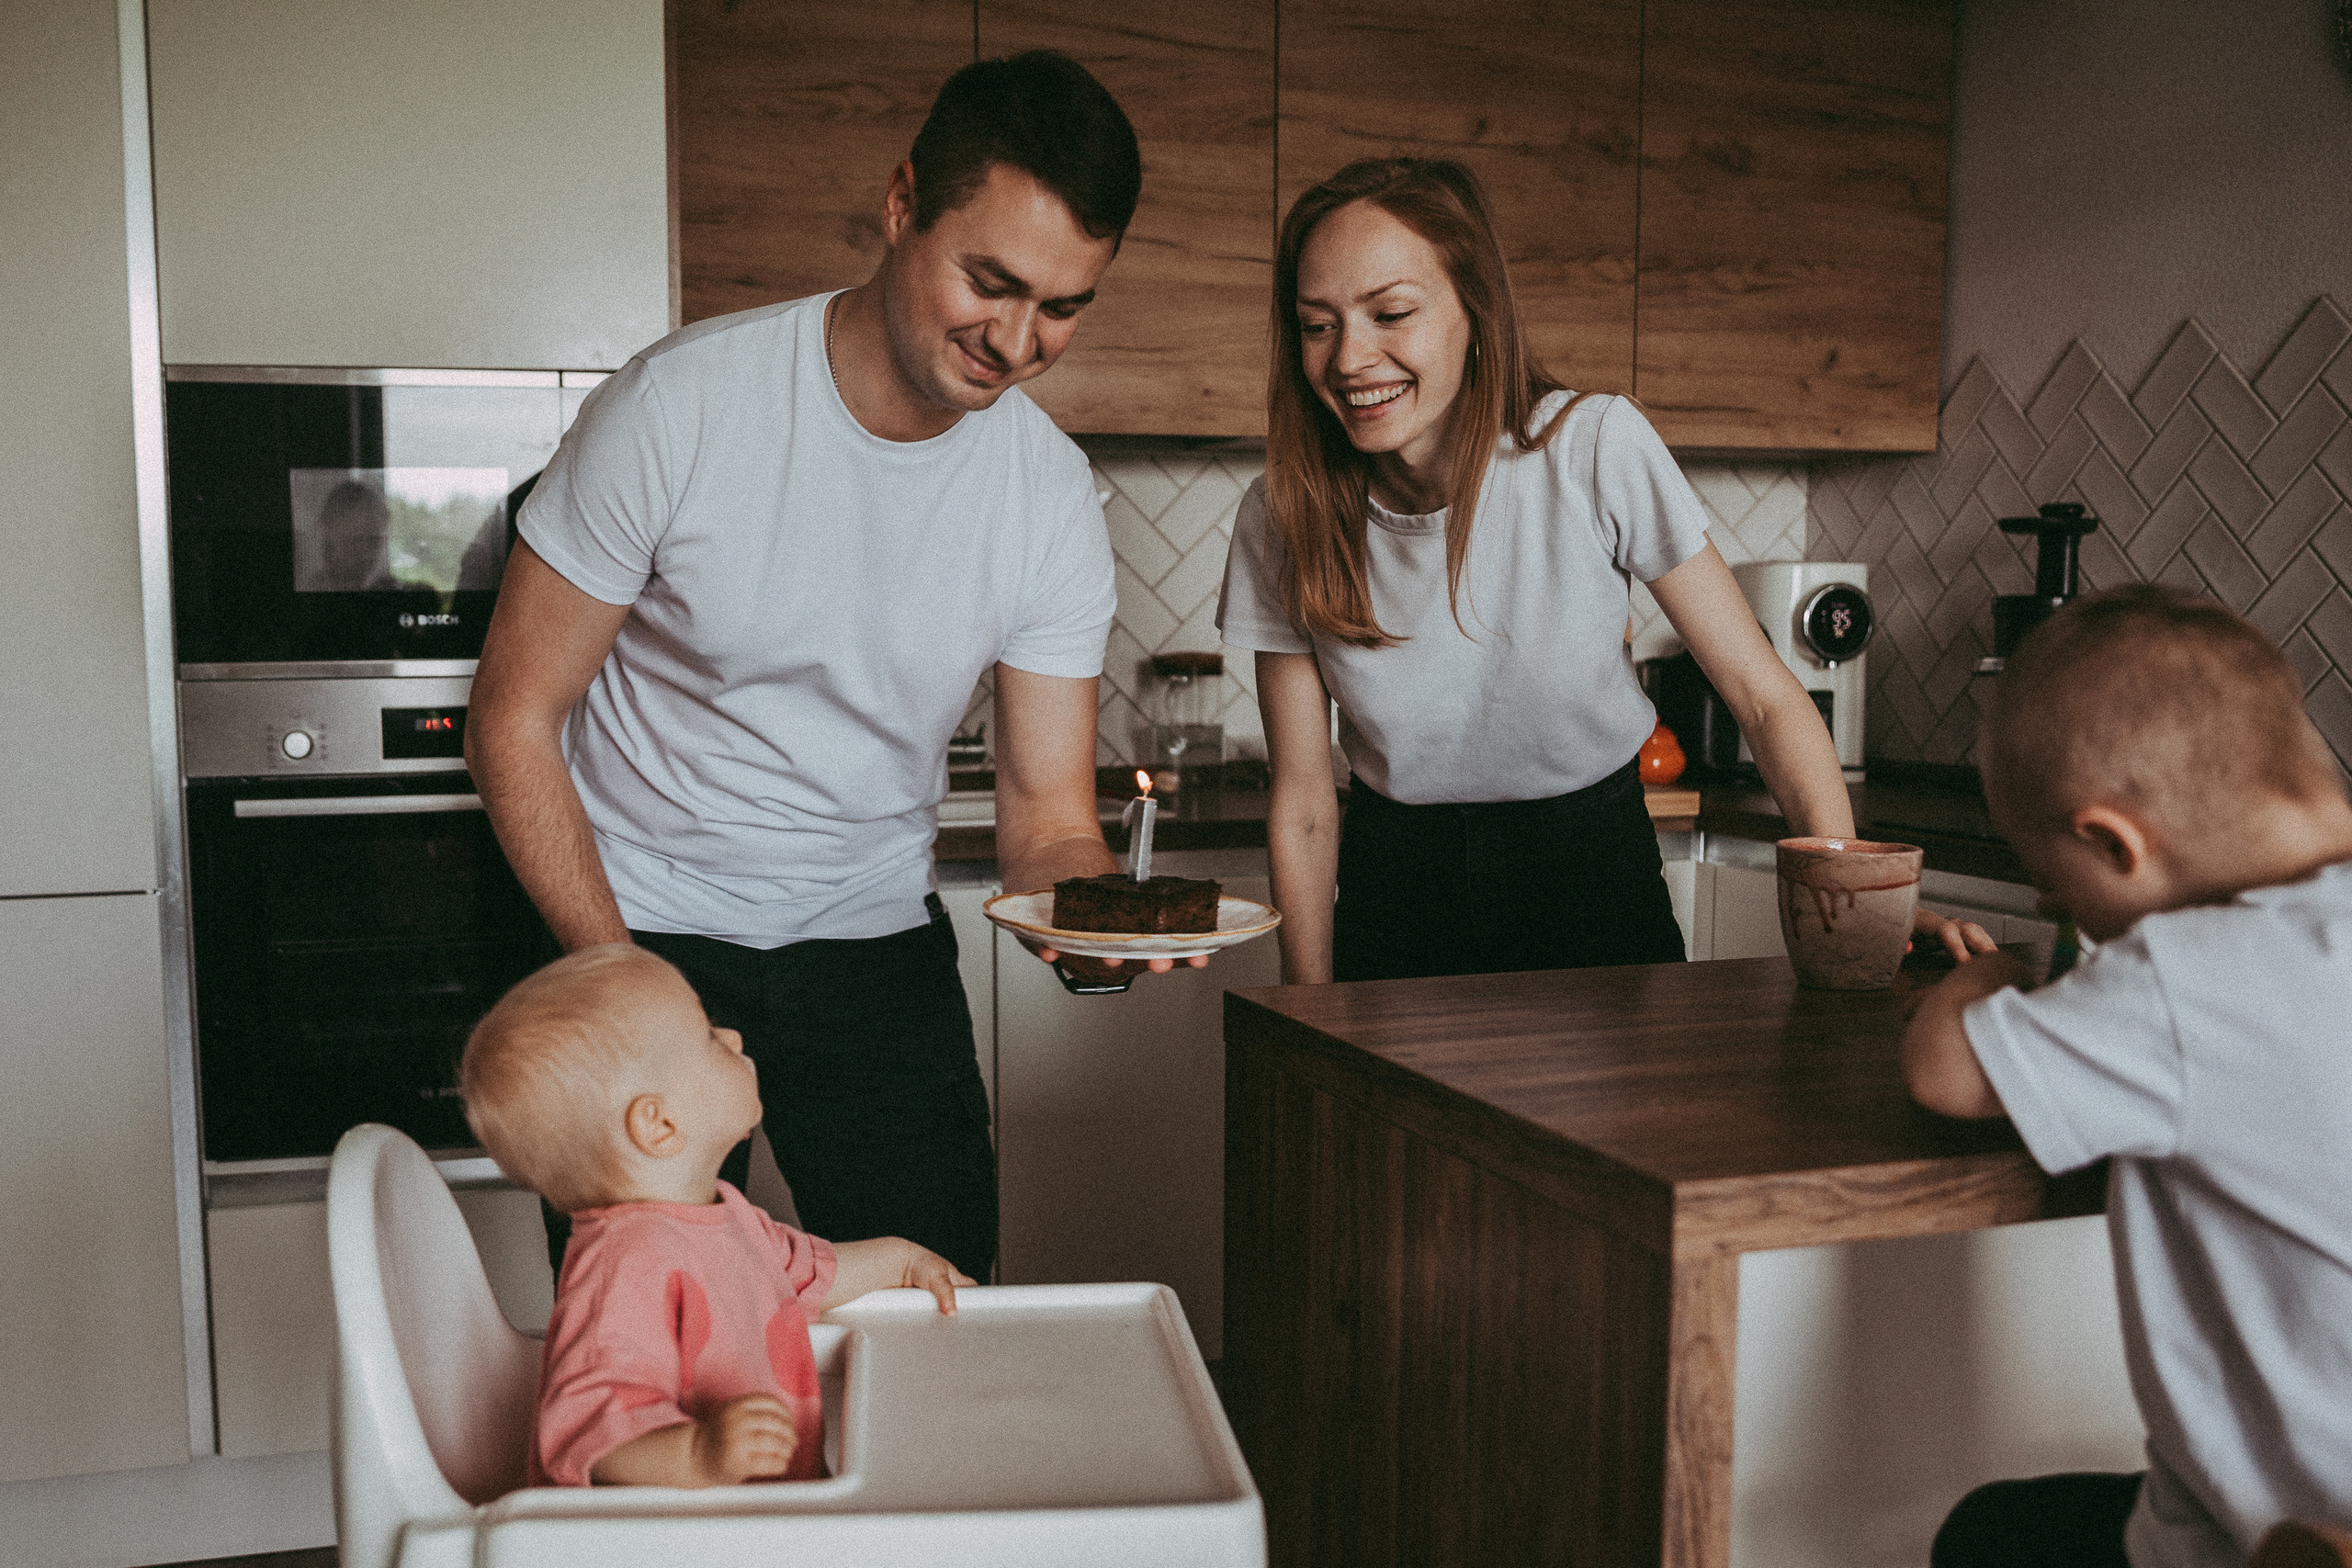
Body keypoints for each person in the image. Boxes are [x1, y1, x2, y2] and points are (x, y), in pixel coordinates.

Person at [467, 51, 1195, 1285]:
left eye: (1064, 305)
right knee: (669, 1341)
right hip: (636, 918)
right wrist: (629, 982)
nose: (1018, 341)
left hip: (870, 941)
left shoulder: (1048, 496)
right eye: (993, 281)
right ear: (903, 204)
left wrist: (1091, 925)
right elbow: (515, 718)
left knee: (941, 1304)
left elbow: (1047, 813)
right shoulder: (680, 406)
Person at [1216, 157, 1990, 983]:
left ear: (1475, 310)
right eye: (1317, 324)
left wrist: (1854, 887)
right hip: (1395, 893)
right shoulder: (1282, 511)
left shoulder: (1589, 446)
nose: (1350, 358)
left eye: (1392, 312)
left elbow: (1763, 698)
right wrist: (1309, 1009)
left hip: (1590, 879)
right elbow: (1302, 805)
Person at [1902, 585, 2352, 1568]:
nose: (2050, 901)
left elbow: (1945, 1074)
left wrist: (1993, 969)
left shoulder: (2192, 975)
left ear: (2114, 844)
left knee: (1987, 1540)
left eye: (2055, 882)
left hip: (2275, 1545)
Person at [461, 944, 971, 1489]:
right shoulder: (627, 1264)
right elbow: (591, 1428)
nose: (735, 1039)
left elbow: (800, 1273)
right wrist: (697, 1455)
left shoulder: (721, 1212)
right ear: (659, 1126)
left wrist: (902, 1258)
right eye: (707, 1036)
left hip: (758, 1524)